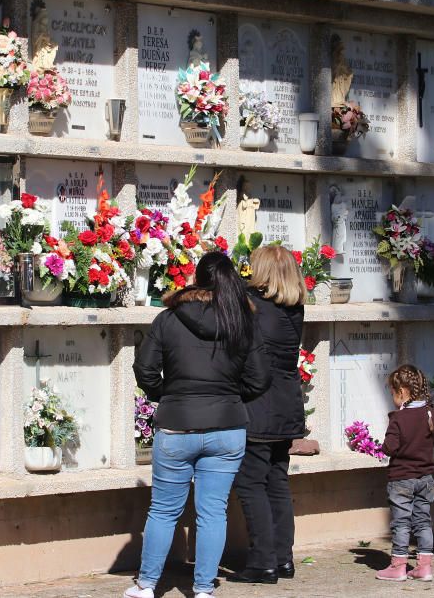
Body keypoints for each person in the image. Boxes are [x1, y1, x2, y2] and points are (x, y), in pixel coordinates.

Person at [127, 252, 272, 598]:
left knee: (163, 509)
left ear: (197, 278)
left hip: (177, 426)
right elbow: (261, 379)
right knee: (212, 511)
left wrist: (170, 394)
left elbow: (144, 370)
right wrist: (230, 398)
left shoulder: (168, 318)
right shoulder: (241, 321)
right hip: (227, 429)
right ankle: (204, 588)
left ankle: (147, 585)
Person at [229, 245, 307, 585]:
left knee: (250, 482)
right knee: (276, 481)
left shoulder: (256, 307)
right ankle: (282, 557)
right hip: (286, 404)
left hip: (259, 404)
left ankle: (262, 562)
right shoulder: (294, 308)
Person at [376, 364, 434, 582]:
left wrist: (379, 445)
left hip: (401, 480)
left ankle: (398, 566)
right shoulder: (430, 413)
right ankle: (424, 567)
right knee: (423, 521)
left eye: (393, 393)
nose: (393, 398)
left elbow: (391, 447)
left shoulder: (398, 418)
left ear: (403, 392)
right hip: (425, 479)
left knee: (401, 523)